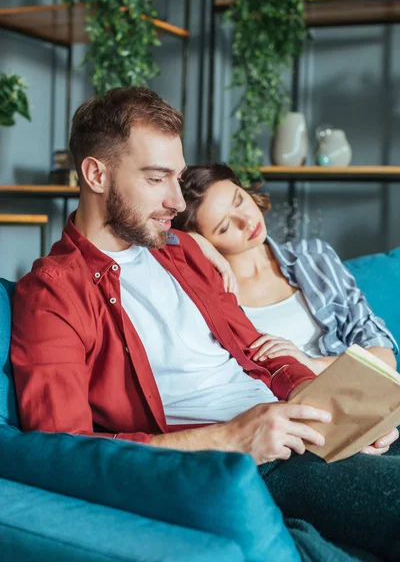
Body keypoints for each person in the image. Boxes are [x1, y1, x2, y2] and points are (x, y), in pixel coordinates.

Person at [10, 87, 400, 561]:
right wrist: (233, 438)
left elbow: (262, 352)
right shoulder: (54, 292)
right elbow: (62, 452)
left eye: (177, 177)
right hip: (255, 460)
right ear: (96, 174)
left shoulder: (184, 250)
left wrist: (338, 409)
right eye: (157, 179)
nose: (176, 199)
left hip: (298, 423)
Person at [172, 163, 398, 382]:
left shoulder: (314, 256)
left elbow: (384, 357)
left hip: (354, 396)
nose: (246, 221)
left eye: (239, 200)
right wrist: (188, 241)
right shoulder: (211, 298)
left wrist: (311, 366)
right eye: (224, 227)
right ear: (204, 241)